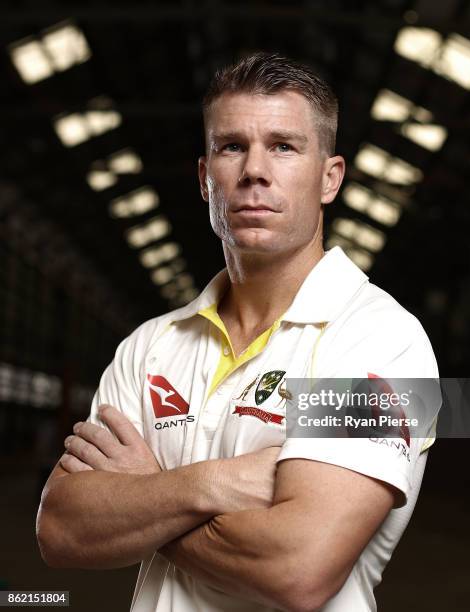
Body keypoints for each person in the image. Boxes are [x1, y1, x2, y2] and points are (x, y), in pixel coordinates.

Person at [36, 52, 439, 612]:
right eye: (231, 146)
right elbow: (60, 530)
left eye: (283, 146)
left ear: (330, 178)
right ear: (206, 179)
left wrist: (145, 495)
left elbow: (297, 569)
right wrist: (209, 484)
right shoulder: (150, 346)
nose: (254, 170)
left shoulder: (382, 339)